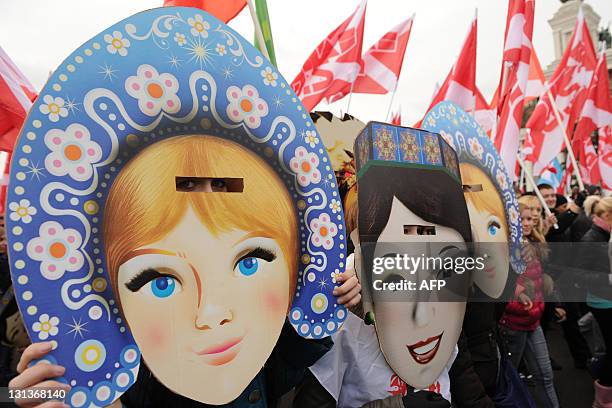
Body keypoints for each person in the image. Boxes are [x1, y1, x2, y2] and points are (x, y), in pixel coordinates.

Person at [499, 203, 560, 408]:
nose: (527, 222)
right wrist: (516, 292)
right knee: (509, 381)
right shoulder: (502, 244)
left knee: (545, 376)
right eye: (521, 219)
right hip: (512, 324)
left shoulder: (530, 242)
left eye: (529, 219)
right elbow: (494, 277)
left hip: (534, 321)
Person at [579, 197, 612, 408]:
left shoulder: (604, 234)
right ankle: (602, 397)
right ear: (607, 215)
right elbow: (580, 276)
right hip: (601, 301)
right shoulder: (591, 238)